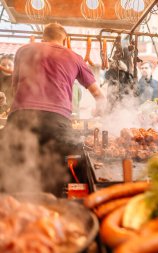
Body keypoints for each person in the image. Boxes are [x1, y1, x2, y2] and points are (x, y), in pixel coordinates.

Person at [3, 23, 106, 195]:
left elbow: (15, 88)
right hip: (56, 124)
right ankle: (54, 209)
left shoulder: (23, 50)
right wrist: (98, 112)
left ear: (43, 37)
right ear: (64, 40)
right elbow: (100, 96)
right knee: (54, 176)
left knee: (14, 175)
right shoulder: (74, 57)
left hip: (20, 120)